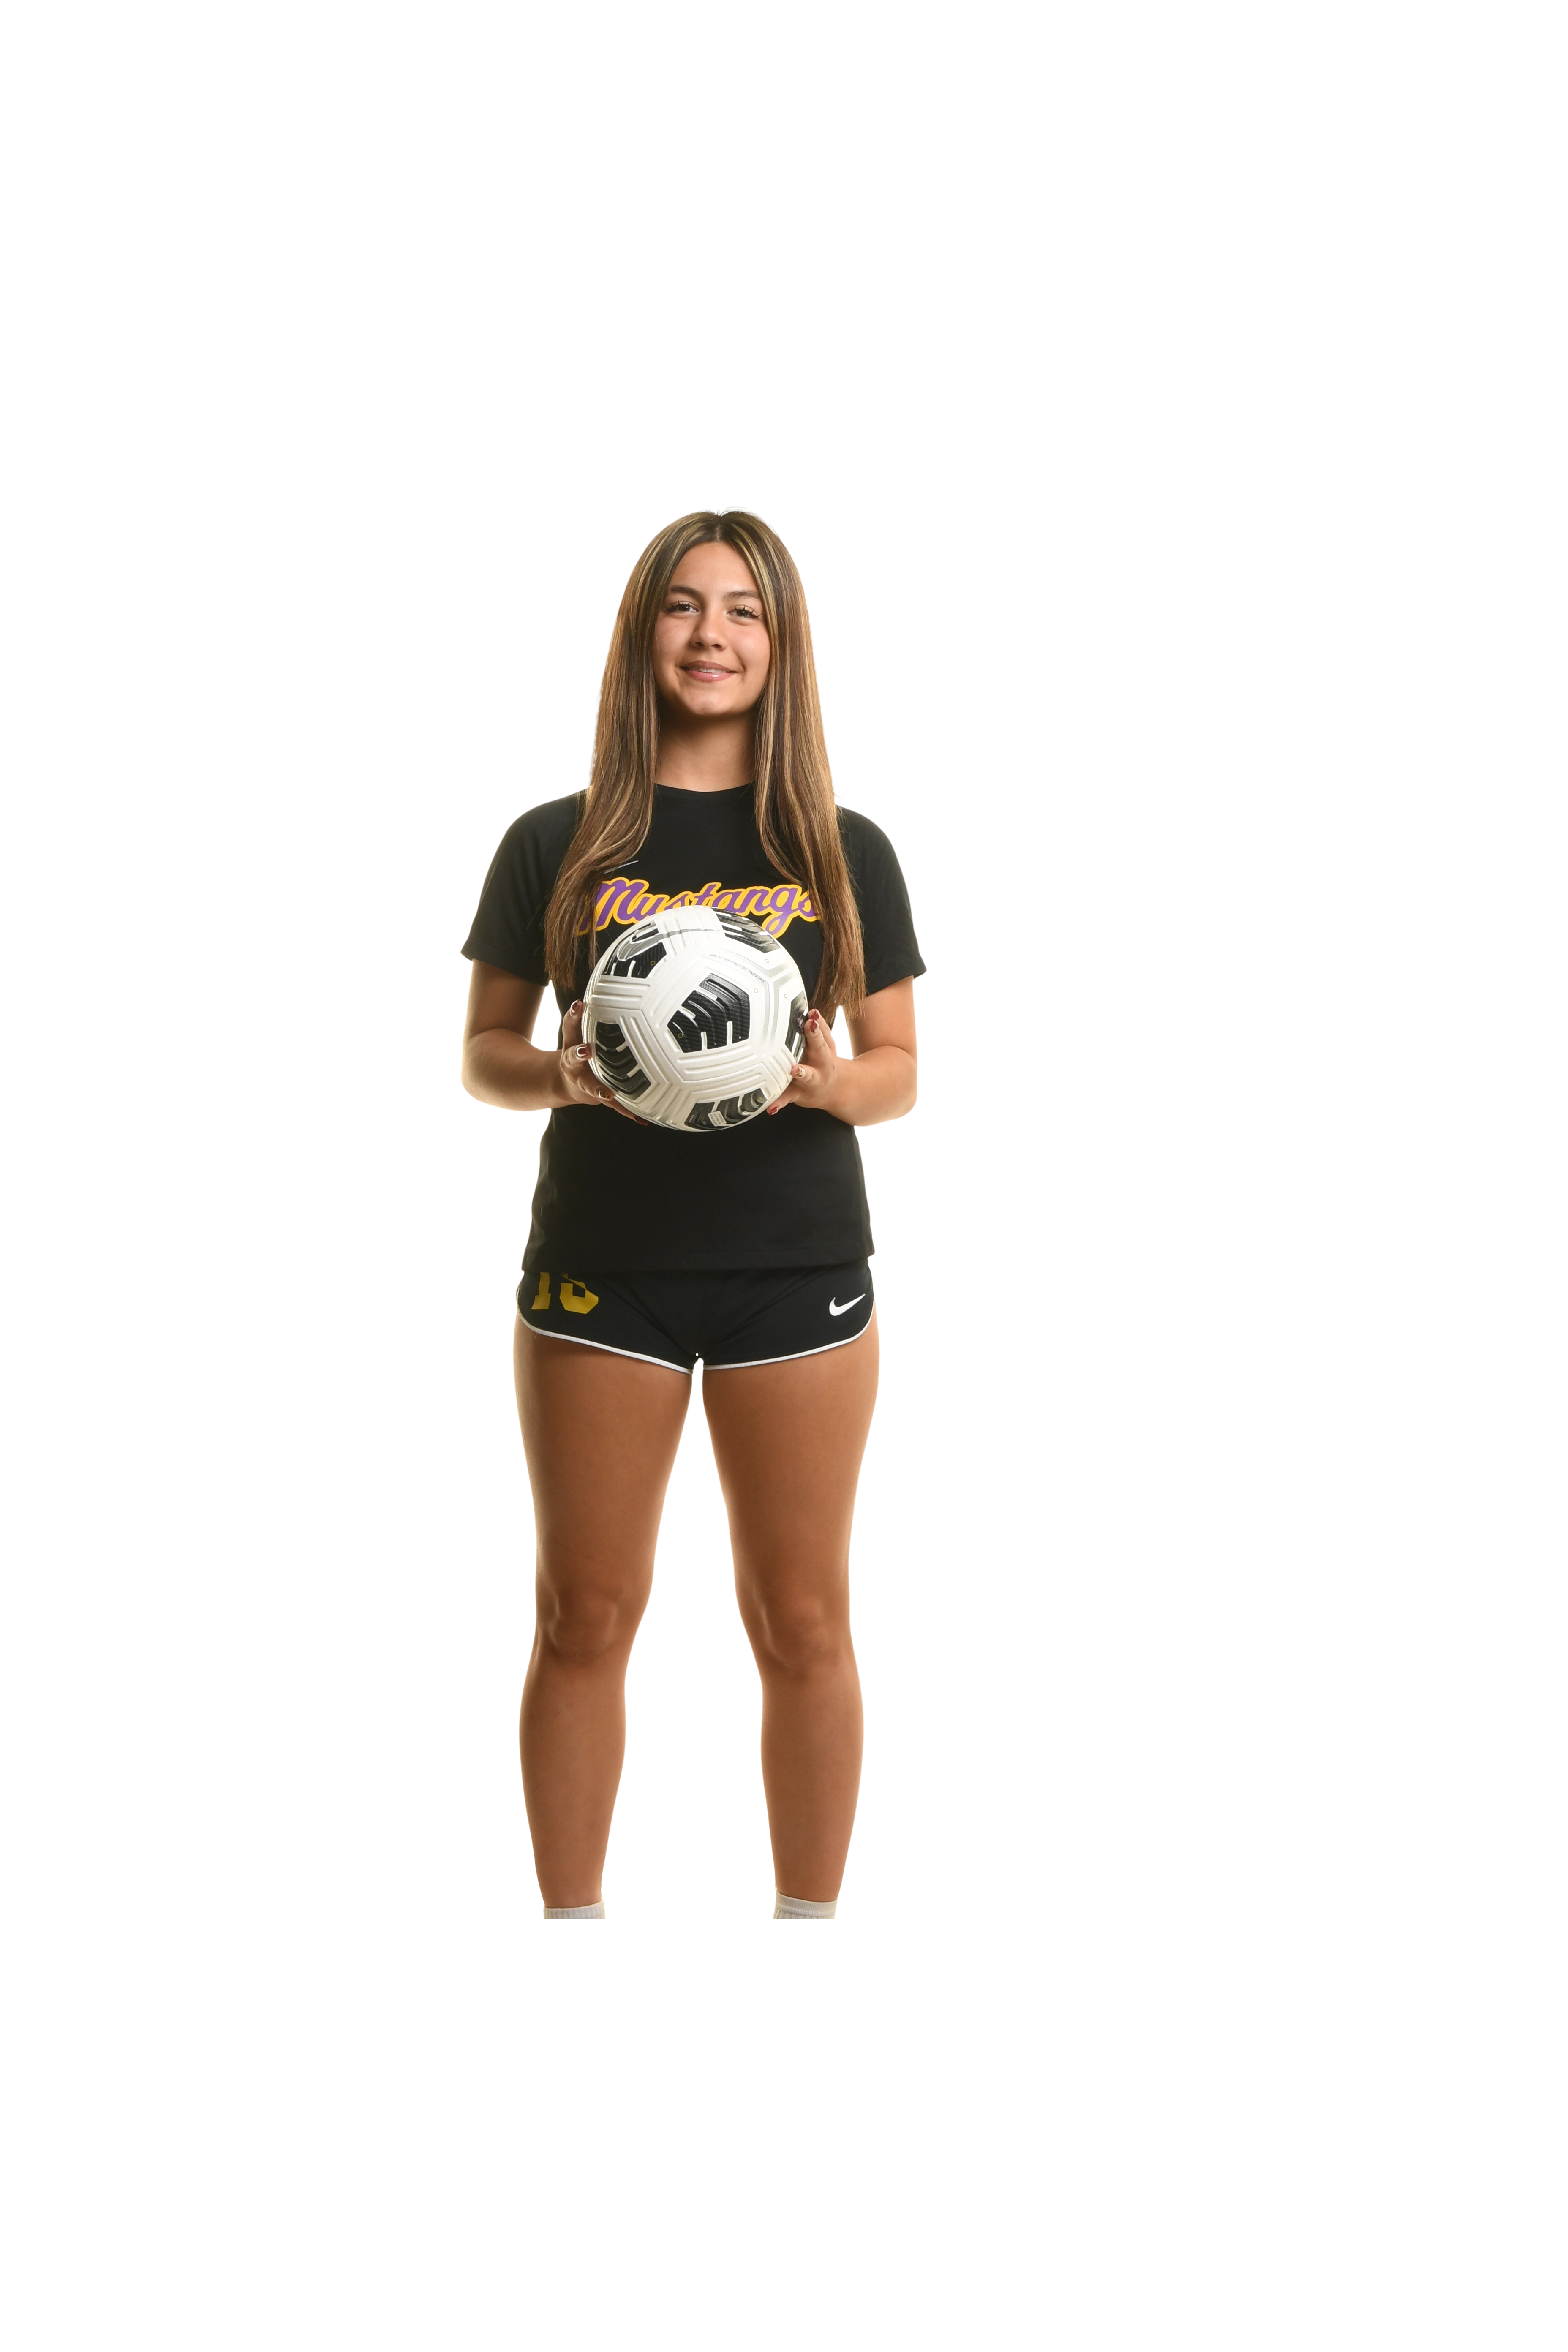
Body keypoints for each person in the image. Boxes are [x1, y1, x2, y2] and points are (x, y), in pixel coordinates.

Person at [460, 506, 924, 1919]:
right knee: (583, 1613)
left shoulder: (840, 848)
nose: (709, 634)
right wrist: (561, 1076)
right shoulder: (556, 841)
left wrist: (829, 1087)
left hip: (798, 1269)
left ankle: (807, 1934)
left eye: (742, 609)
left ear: (783, 643)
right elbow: (483, 1055)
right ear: (636, 633)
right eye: (680, 605)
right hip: (604, 1269)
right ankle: (571, 1937)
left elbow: (900, 1072)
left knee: (803, 1619)